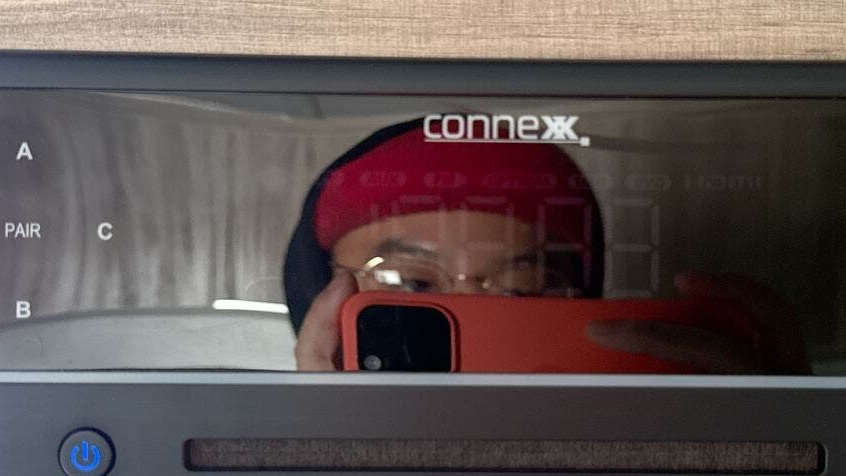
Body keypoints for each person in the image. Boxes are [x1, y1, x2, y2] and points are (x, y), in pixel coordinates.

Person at [282, 121, 808, 373]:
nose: (476, 313)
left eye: (521, 289)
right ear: (317, 294)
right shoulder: (253, 467)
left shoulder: (636, 431)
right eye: (411, 284)